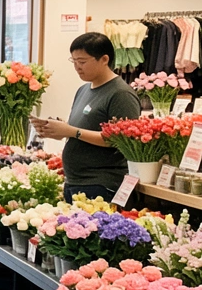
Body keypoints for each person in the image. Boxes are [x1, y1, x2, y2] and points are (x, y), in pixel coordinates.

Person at [32, 32, 142, 202]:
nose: (77, 67)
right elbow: (83, 129)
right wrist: (57, 130)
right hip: (75, 182)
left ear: (104, 59)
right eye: (74, 61)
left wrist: (71, 131)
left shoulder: (121, 94)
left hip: (101, 185)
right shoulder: (83, 90)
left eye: (82, 62)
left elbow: (121, 141)